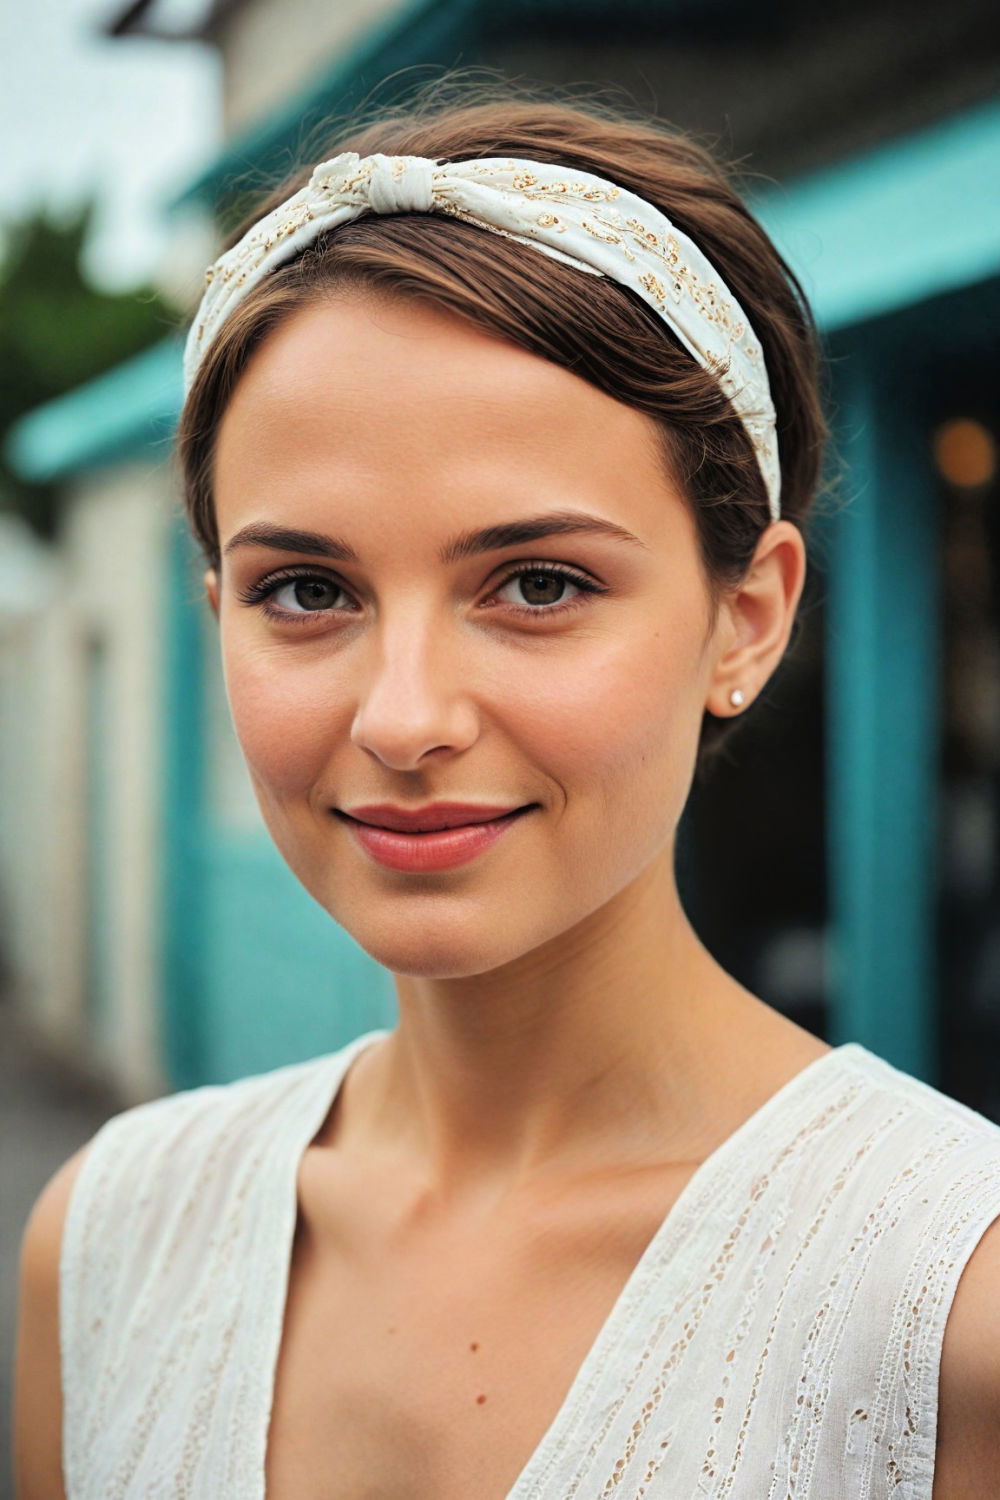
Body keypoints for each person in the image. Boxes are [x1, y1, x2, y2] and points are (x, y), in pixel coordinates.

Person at [14, 83, 1000, 1500]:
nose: (406, 717)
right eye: (306, 589)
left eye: (539, 584)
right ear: (214, 603)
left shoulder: (950, 1310)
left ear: (748, 617)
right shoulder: (107, 1245)